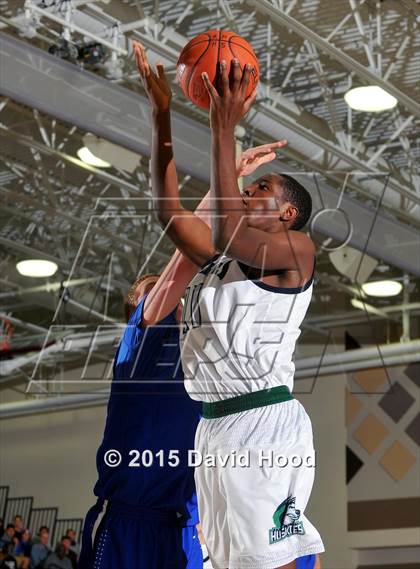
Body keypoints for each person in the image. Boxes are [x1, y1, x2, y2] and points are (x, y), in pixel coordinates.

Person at [134, 41, 325, 569]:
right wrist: (163, 115)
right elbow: (167, 212)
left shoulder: (297, 251)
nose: (246, 191)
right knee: (227, 563)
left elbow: (223, 226)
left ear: (287, 213)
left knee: (274, 560)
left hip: (263, 420)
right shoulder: (223, 257)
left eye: (259, 187)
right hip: (214, 425)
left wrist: (225, 126)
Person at [78, 120, 281, 568]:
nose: (177, 297)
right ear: (141, 311)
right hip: (131, 528)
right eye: (159, 295)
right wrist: (227, 181)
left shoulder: (207, 362)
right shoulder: (140, 347)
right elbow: (184, 261)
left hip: (188, 530)